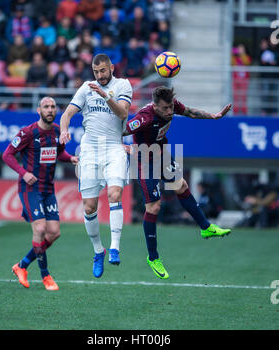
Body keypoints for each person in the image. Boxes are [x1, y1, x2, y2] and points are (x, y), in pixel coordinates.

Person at [123, 86, 232, 279]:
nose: (169, 111)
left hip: (162, 154)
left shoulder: (172, 106)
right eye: (165, 108)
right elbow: (121, 130)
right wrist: (123, 146)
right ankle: (153, 257)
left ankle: (206, 228)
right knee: (153, 208)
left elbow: (190, 112)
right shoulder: (144, 118)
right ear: (155, 106)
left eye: (171, 107)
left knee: (181, 186)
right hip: (143, 161)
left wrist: (214, 116)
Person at [59, 53, 132, 278]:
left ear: (111, 67)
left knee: (115, 193)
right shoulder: (86, 87)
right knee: (89, 207)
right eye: (96, 72)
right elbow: (68, 113)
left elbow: (123, 112)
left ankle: (115, 248)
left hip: (113, 147)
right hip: (90, 149)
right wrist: (63, 129)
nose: (99, 75)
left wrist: (105, 95)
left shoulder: (123, 85)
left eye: (102, 71)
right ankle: (98, 251)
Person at [2, 96, 79, 290]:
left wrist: (70, 159)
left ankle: (22, 265)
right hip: (30, 188)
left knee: (54, 233)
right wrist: (23, 173)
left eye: (53, 107)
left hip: (48, 188)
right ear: (39, 110)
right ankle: (46, 277)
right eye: (46, 107)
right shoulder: (28, 132)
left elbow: (59, 153)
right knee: (40, 229)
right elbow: (7, 155)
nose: (50, 110)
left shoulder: (56, 131)